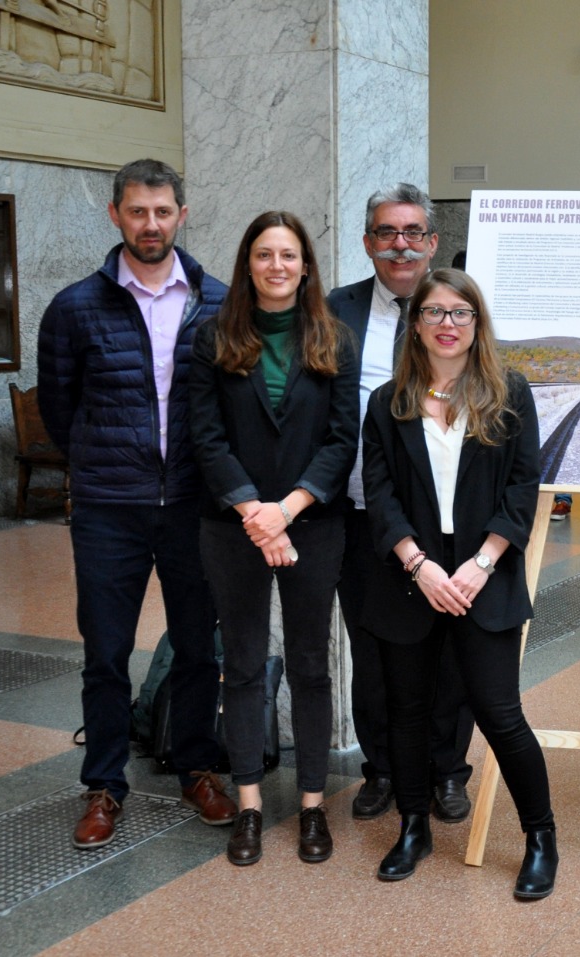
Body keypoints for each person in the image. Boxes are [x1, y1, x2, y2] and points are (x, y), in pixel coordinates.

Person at [38, 158, 236, 850]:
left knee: (196, 647)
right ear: (115, 214)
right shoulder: (73, 307)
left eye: (162, 211)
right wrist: (106, 467)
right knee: (107, 650)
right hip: (108, 509)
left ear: (183, 214)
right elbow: (60, 410)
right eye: (136, 211)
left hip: (193, 505)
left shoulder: (218, 300)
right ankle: (103, 785)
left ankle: (197, 767)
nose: (150, 224)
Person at [361, 268, 557, 899]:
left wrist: (481, 563)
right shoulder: (387, 402)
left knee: (500, 714)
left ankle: (540, 838)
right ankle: (413, 828)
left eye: (460, 313)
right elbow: (382, 496)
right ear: (415, 324)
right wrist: (420, 565)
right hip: (410, 574)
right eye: (435, 313)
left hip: (484, 573)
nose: (448, 325)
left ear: (477, 324)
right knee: (409, 713)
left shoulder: (509, 394)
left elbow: (522, 487)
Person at [189, 211, 359, 866]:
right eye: (264, 254)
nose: (277, 266)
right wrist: (253, 512)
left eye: (288, 255)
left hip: (313, 525)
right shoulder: (216, 337)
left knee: (313, 665)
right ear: (248, 264)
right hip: (232, 527)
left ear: (306, 265)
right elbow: (206, 436)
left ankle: (313, 807)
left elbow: (342, 439)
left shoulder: (333, 340)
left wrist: (284, 511)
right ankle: (252, 805)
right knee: (245, 665)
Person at [327, 186, 477, 825]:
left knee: (451, 654)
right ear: (368, 243)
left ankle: (446, 771)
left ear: (433, 241)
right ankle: (384, 766)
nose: (401, 244)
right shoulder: (335, 312)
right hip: (363, 517)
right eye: (387, 233)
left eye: (414, 231)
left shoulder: (462, 310)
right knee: (374, 651)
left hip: (448, 520)